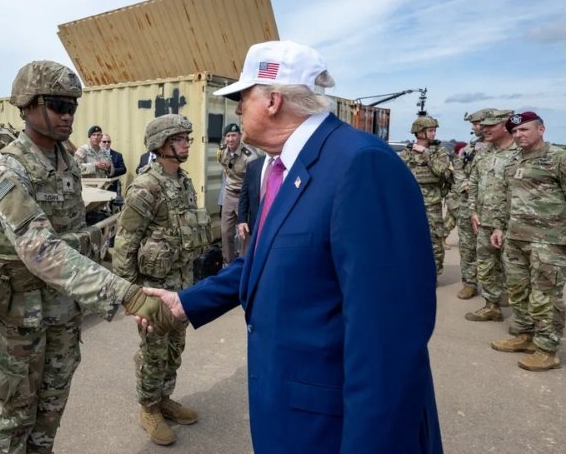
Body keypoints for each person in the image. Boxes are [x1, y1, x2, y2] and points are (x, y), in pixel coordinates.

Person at [139, 41, 442, 453]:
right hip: (288, 415)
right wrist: (185, 302)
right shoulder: (282, 167)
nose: (237, 111)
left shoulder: (360, 164)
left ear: (273, 100)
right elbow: (268, 260)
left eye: (242, 98)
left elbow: (388, 342)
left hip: (331, 428)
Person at [0, 60, 173, 453]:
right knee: (13, 422)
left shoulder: (66, 163)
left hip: (61, 313)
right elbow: (41, 249)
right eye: (58, 104)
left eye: (73, 106)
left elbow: (73, 242)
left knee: (49, 417)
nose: (68, 114)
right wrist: (126, 294)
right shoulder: (8, 170)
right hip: (18, 320)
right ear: (27, 106)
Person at [113, 114, 212, 446]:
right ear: (162, 144)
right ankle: (149, 407)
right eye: (181, 138)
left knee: (175, 348)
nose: (187, 143)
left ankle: (165, 397)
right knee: (155, 351)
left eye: (188, 138)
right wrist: (129, 294)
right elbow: (124, 242)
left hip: (182, 283)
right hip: (153, 288)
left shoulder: (183, 182)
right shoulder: (145, 186)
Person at [488, 112, 566, 371]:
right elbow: (504, 197)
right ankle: (525, 335)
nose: (519, 135)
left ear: (541, 129)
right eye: (516, 131)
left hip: (549, 241)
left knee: (545, 295)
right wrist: (499, 226)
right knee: (518, 291)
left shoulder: (558, 158)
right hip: (515, 238)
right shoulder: (512, 161)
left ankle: (547, 349)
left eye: (525, 130)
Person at [465, 108, 516, 322]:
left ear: (505, 125)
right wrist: (473, 211)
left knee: (514, 270)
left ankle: (526, 323)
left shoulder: (520, 152)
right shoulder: (484, 152)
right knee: (485, 265)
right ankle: (491, 306)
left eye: (490, 126)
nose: (484, 129)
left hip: (512, 222)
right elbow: (473, 182)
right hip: (484, 219)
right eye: (483, 126)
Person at [398, 116, 454, 277]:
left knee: (434, 239)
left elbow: (444, 172)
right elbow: (398, 174)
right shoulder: (407, 152)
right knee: (410, 238)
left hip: (432, 202)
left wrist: (426, 154)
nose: (434, 133)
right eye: (430, 130)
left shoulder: (439, 151)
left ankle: (434, 273)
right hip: (411, 202)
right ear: (419, 132)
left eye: (434, 130)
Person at [452, 108, 494, 299]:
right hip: (468, 204)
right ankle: (469, 283)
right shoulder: (468, 150)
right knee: (467, 246)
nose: (476, 127)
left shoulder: (506, 149)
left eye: (478, 123)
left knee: (495, 250)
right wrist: (465, 185)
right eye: (474, 124)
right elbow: (458, 171)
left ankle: (496, 289)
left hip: (493, 206)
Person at [217, 123, 260, 264]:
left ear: (240, 136)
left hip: (244, 195)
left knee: (244, 233)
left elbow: (253, 182)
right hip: (229, 194)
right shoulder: (222, 153)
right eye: (228, 136)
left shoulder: (249, 156)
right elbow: (225, 170)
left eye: (234, 135)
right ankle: (228, 262)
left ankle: (243, 263)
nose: (231, 139)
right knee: (225, 231)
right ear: (224, 138)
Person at [236, 154, 267, 245]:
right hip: (256, 224)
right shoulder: (253, 165)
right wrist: (242, 220)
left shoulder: (288, 164)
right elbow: (244, 194)